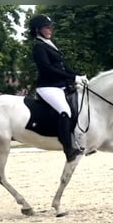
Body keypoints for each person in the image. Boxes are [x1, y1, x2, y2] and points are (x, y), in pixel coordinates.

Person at [29, 14, 88, 162]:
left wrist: (78, 75)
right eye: (46, 28)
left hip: (60, 86)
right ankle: (68, 149)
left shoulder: (49, 44)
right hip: (48, 87)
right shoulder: (38, 47)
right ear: (37, 30)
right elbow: (47, 69)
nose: (50, 30)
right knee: (65, 111)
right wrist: (72, 78)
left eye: (50, 27)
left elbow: (64, 66)